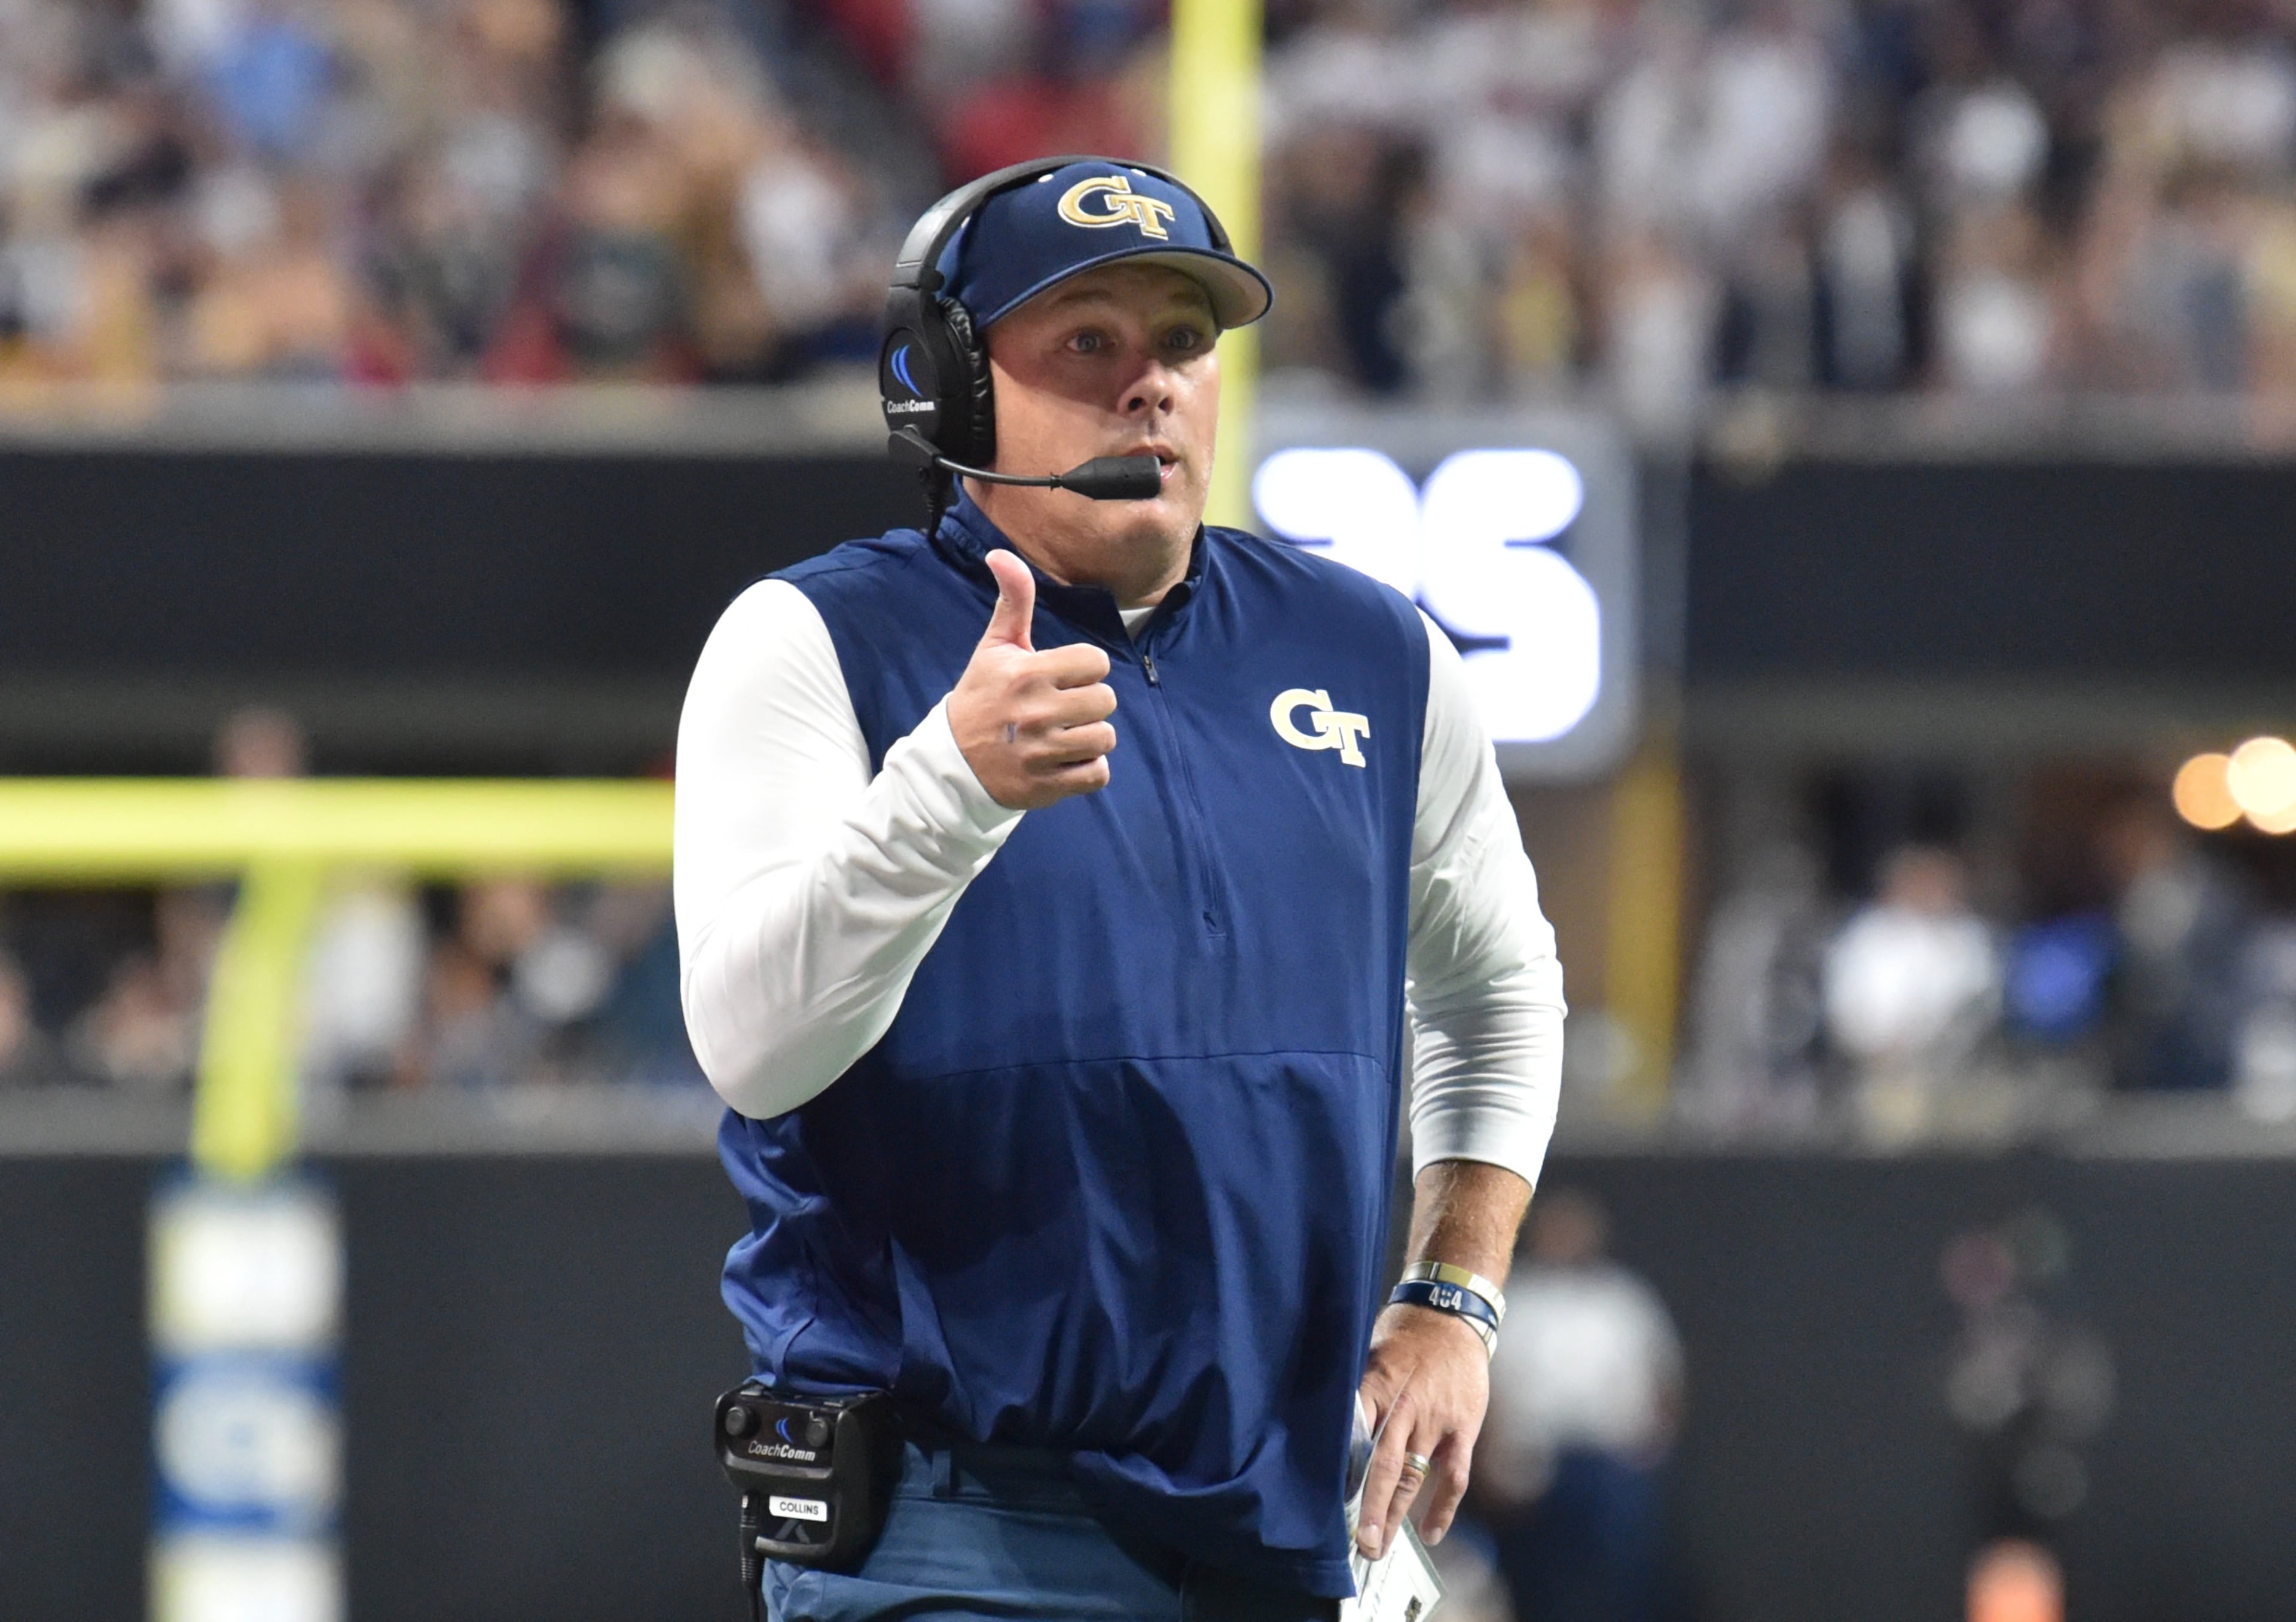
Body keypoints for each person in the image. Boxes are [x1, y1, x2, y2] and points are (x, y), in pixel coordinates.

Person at [674, 156, 1566, 1619]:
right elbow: (753, 1045)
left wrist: (1452, 1290)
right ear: (949, 389)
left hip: (1291, 1529)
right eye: (1086, 338)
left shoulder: (1369, 651)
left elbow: (1496, 985)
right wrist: (948, 787)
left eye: (1183, 343)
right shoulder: (812, 641)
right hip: (955, 1534)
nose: (1150, 386)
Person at [1473, 1189, 1681, 1622]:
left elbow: (1664, 1379)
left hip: (1610, 1462)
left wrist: (1650, 1452)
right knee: (1537, 1580)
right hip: (1532, 1464)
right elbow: (1492, 1384)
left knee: (1620, 1577)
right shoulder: (1516, 1299)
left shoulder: (1623, 1300)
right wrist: (1494, 1462)